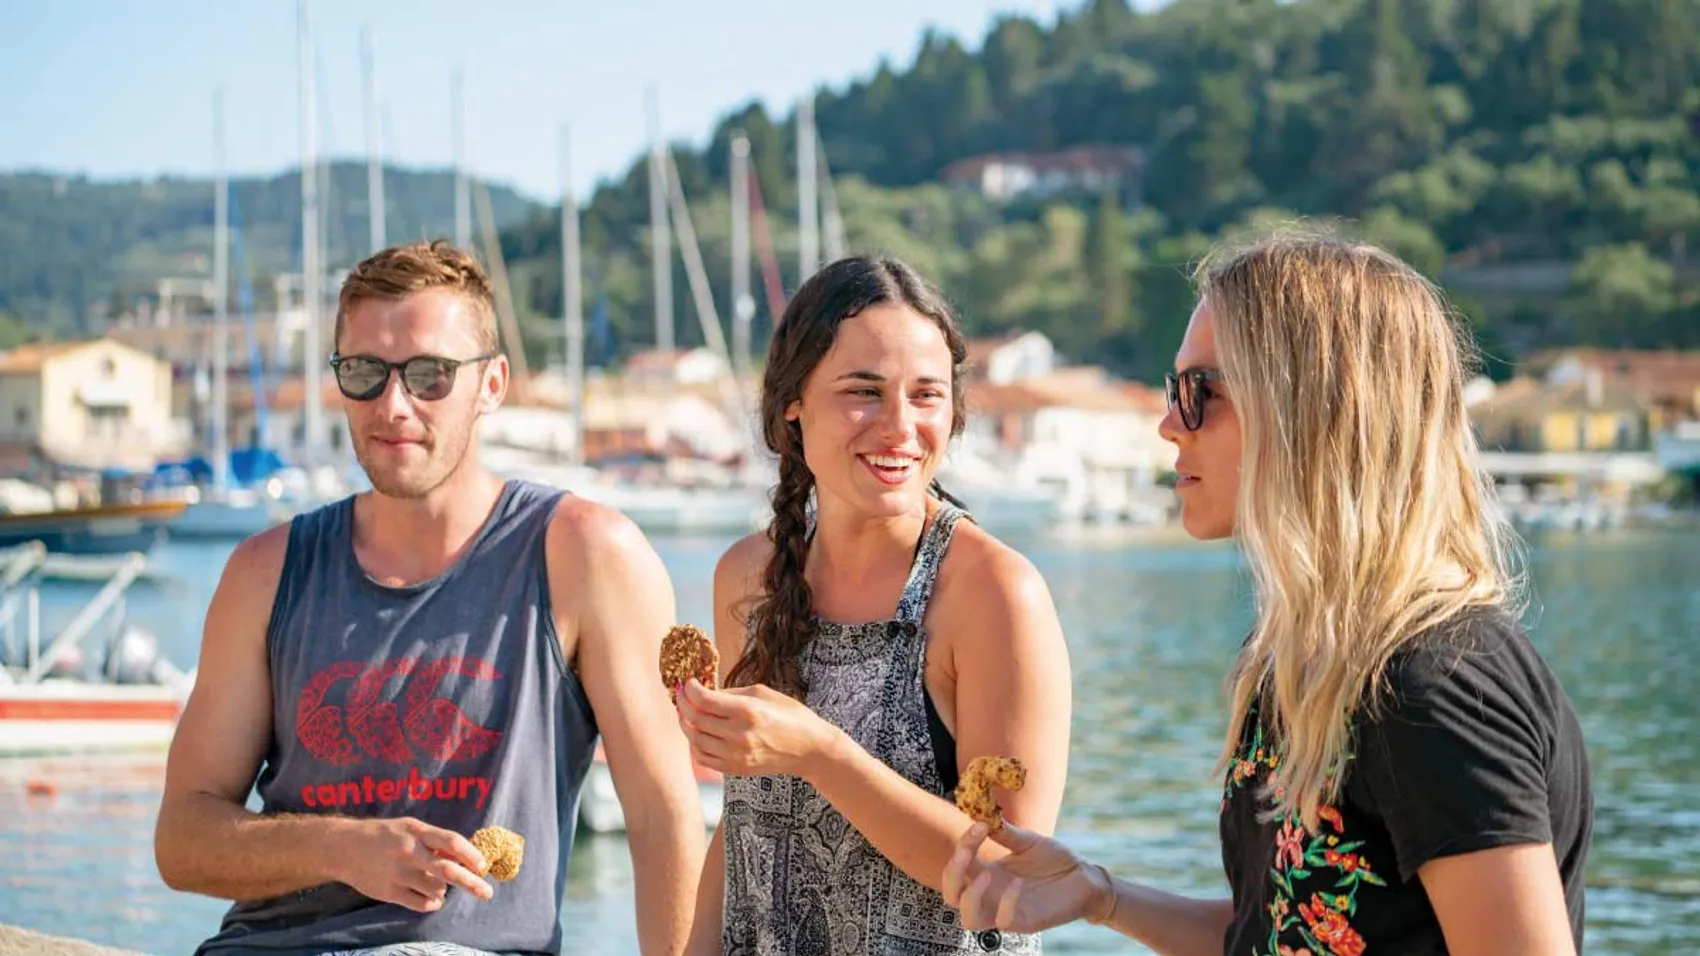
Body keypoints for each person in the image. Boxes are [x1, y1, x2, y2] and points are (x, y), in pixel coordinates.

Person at [941, 234, 1594, 956]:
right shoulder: (1307, 663)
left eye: (1201, 394)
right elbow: (1277, 931)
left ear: (1314, 407)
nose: (1168, 424)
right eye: (1172, 390)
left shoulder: (1433, 686)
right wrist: (1101, 895)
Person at [154, 240, 707, 956]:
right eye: (364, 373)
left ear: (493, 384)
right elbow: (182, 841)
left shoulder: (585, 554)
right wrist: (341, 848)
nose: (394, 404)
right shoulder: (266, 572)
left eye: (429, 375)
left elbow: (664, 816)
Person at [674, 255, 1074, 955]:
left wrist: (821, 754)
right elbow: (741, 832)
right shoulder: (746, 578)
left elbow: (1011, 876)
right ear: (793, 400)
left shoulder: (994, 595)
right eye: (864, 391)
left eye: (926, 395)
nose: (899, 427)